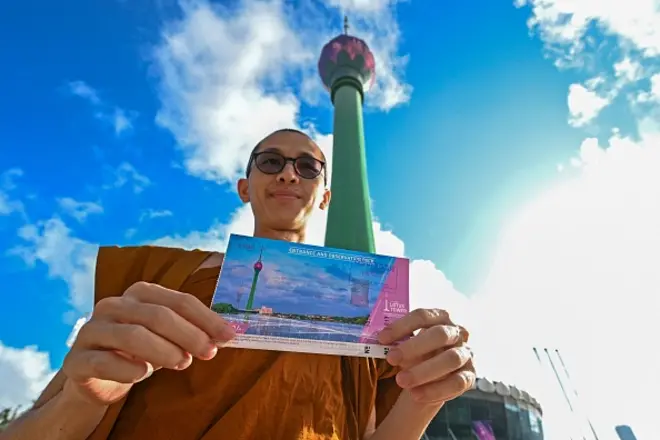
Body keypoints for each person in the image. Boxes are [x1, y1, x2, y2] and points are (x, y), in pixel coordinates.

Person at [3, 128, 475, 440]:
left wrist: (424, 398)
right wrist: (81, 402)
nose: (289, 173)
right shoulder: (157, 281)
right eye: (270, 162)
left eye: (308, 167)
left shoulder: (366, 315)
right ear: (245, 187)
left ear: (325, 196)